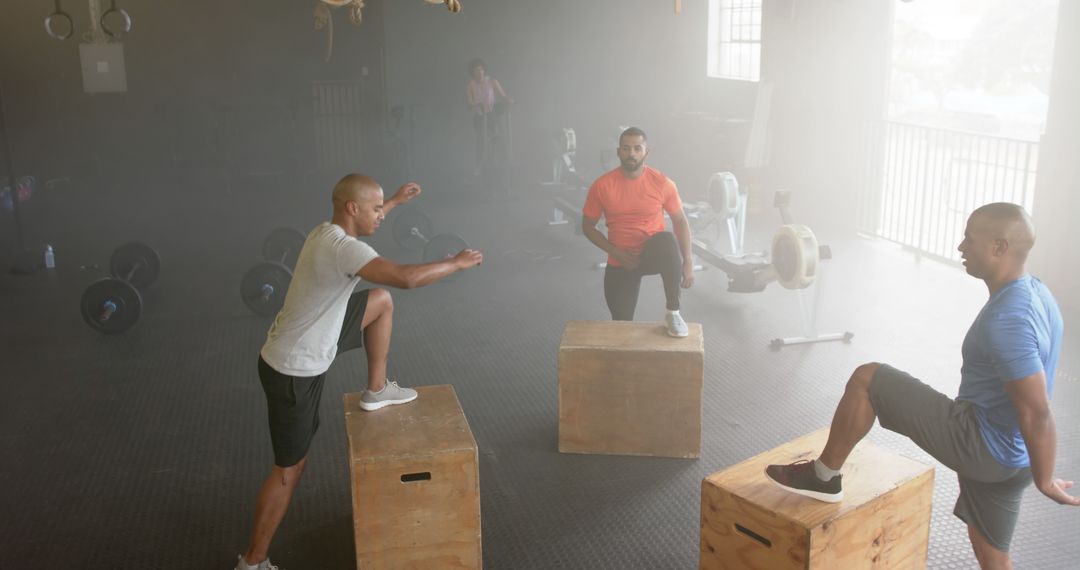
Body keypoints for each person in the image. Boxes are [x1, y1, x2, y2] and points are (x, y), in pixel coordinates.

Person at [765, 203, 1076, 569]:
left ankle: (823, 477)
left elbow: (1036, 410)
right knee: (993, 558)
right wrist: (1035, 466)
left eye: (969, 239)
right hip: (1015, 456)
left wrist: (1045, 480)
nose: (960, 247)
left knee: (868, 379)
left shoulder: (1009, 320)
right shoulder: (1038, 293)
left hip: (984, 444)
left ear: (999, 247)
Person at [235, 174, 483, 570]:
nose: (380, 215)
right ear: (352, 209)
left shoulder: (326, 231)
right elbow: (406, 278)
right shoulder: (345, 250)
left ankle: (376, 389)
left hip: (317, 336)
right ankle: (252, 562)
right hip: (294, 368)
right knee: (290, 469)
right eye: (375, 208)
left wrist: (397, 201)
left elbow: (375, 219)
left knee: (379, 302)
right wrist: (455, 262)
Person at [581, 126, 695, 337]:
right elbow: (587, 226)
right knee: (621, 325)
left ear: (646, 152)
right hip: (620, 259)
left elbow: (680, 220)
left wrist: (687, 262)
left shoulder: (662, 183)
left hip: (651, 254)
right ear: (618, 152)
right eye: (625, 148)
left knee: (667, 240)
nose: (631, 153)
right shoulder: (602, 186)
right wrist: (615, 252)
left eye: (637, 148)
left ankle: (673, 312)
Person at [466, 58, 511, 171]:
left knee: (497, 139)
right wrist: (476, 104)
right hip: (480, 116)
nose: (479, 72)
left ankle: (499, 165)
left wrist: (509, 101)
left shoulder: (492, 81)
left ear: (484, 70)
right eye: (476, 70)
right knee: (481, 142)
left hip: (492, 115)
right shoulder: (471, 84)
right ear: (473, 72)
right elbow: (469, 101)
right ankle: (479, 167)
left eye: (481, 70)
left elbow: (503, 96)